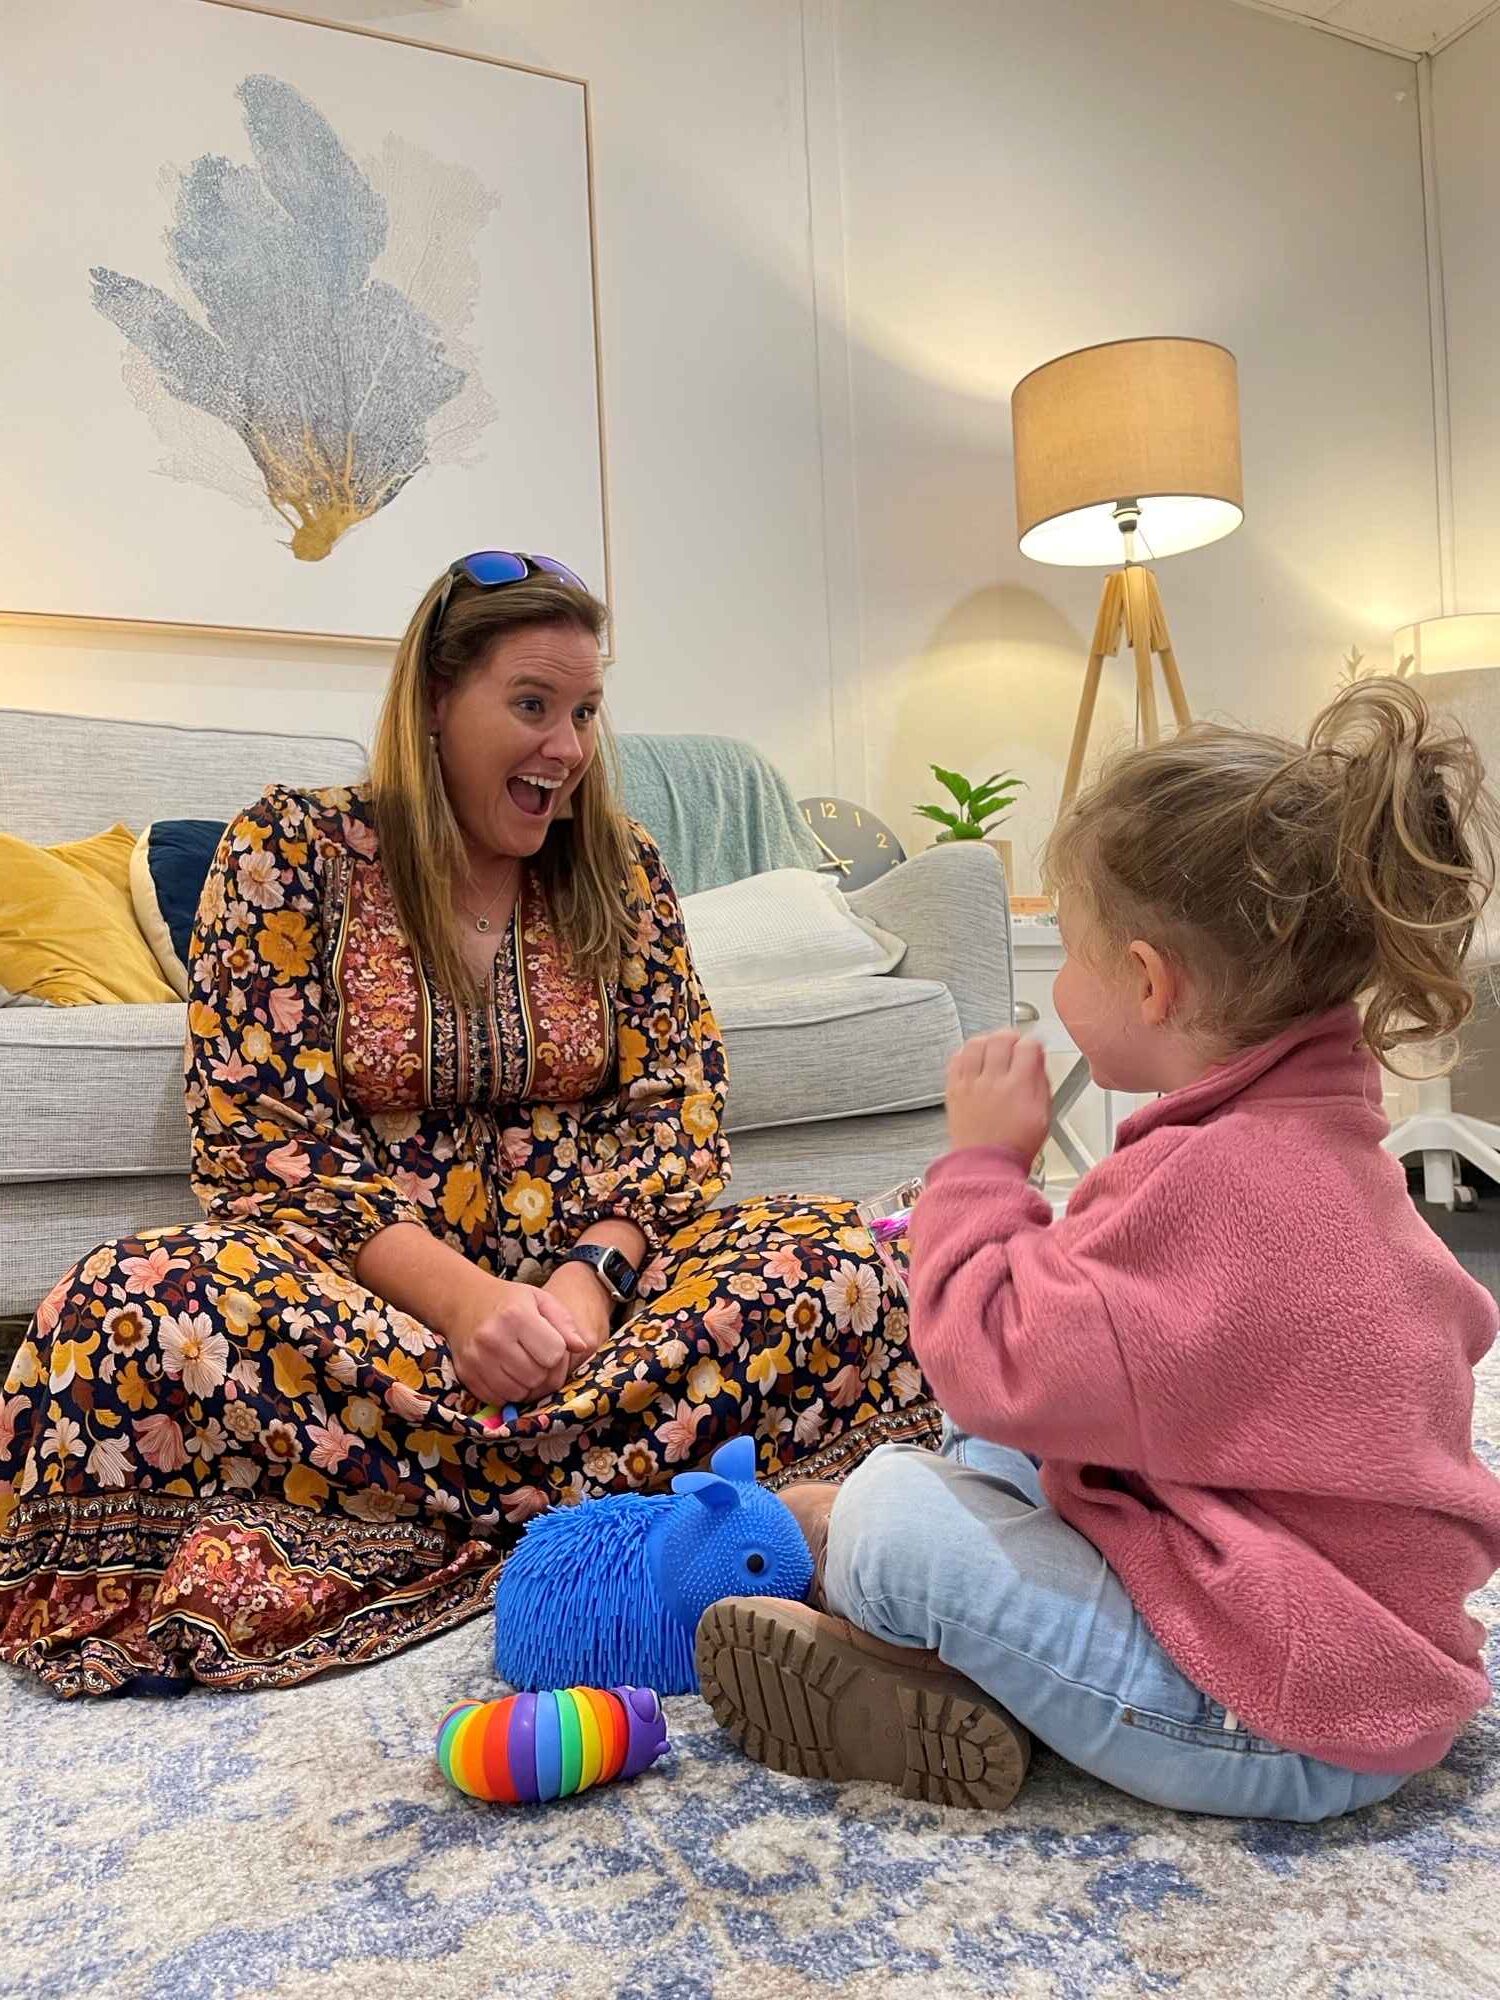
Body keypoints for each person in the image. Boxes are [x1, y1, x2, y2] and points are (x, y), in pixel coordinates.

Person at [0, 551, 933, 1696]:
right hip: (375, 1327)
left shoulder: (623, 867)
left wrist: (588, 1281)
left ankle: (550, 1508)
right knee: (123, 1301)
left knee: (863, 1263)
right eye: (532, 705)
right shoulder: (289, 851)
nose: (569, 748)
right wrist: (468, 1303)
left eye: (585, 711)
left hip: (614, 1327)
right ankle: (680, 1511)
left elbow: (677, 1101)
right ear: (436, 703)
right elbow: (263, 1135)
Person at [700, 678, 1500, 1821]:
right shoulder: (1322, 1137)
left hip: (1286, 1716)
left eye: (1069, 956)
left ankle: (938, 1655)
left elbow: (990, 1357)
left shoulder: (1221, 1183)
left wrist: (980, 1170)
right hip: (1307, 1612)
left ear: (1148, 979)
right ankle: (948, 1673)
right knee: (994, 1440)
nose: (1057, 993)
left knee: (888, 1516)